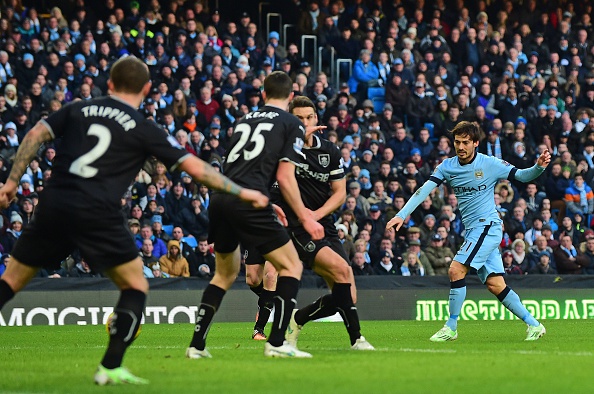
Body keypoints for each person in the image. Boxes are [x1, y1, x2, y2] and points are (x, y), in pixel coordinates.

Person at [0, 57, 268, 386]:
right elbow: (197, 169)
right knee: (135, 286)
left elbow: (35, 134)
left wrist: (12, 182)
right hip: (97, 211)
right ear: (145, 89)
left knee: (9, 282)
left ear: (109, 84)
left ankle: (111, 366)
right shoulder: (143, 127)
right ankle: (110, 366)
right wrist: (242, 192)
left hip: (54, 204)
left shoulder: (77, 109)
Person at [186, 71, 324, 360]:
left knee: (223, 275)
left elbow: (239, 168)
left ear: (263, 94)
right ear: (290, 98)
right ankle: (276, 342)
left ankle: (196, 346)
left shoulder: (243, 120)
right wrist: (306, 216)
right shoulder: (291, 123)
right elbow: (286, 179)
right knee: (291, 267)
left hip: (223, 199)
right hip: (250, 202)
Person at [387, 121, 551, 342]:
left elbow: (522, 176)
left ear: (476, 143)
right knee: (495, 285)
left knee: (456, 270)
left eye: (465, 142)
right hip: (474, 230)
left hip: (488, 226)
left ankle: (451, 327)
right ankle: (534, 325)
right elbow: (423, 190)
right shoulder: (447, 166)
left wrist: (539, 166)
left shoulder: (490, 163)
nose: (460, 147)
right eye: (457, 142)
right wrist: (401, 214)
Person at [280, 96, 374, 351]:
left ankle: (298, 318)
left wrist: (317, 215)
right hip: (298, 227)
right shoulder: (285, 150)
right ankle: (357, 340)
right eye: (299, 118)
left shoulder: (329, 150)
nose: (306, 122)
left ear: (316, 119)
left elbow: (340, 193)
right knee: (343, 272)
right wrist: (305, 217)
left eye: (309, 117)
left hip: (324, 224)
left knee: (348, 296)